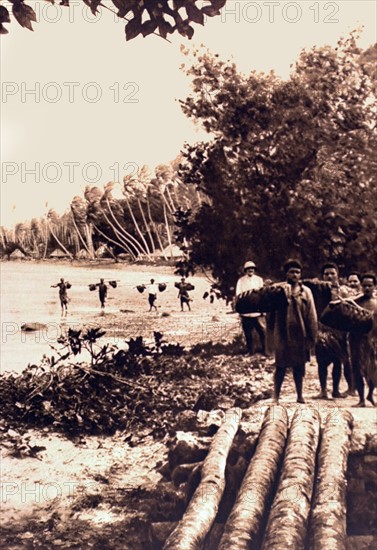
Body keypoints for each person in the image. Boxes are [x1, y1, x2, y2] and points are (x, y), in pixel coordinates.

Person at [271, 259, 317, 404]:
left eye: (297, 272)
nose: (295, 275)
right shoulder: (279, 290)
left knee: (299, 365)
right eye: (292, 272)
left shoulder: (306, 292)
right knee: (280, 365)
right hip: (282, 331)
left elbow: (311, 314)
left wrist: (312, 335)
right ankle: (275, 396)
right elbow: (270, 311)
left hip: (300, 332)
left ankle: (300, 395)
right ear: (286, 273)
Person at [314, 262, 353, 399]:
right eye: (326, 274)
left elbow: (349, 310)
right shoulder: (317, 290)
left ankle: (335, 390)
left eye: (332, 273)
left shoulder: (343, 291)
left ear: (337, 275)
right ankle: (323, 390)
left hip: (338, 331)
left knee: (338, 361)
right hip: (321, 330)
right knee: (321, 362)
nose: (329, 276)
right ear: (322, 276)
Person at [348, 273, 377, 407]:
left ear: (374, 286)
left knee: (373, 370)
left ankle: (370, 393)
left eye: (369, 286)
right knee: (357, 369)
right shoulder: (355, 302)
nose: (366, 288)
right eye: (364, 285)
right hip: (355, 340)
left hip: (372, 341)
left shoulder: (376, 304)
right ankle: (361, 399)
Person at [235, 260, 266, 355]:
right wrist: (240, 309)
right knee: (248, 333)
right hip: (246, 310)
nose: (250, 270)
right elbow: (238, 294)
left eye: (252, 268)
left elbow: (262, 295)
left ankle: (266, 350)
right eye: (248, 269)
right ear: (245, 270)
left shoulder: (259, 280)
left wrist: (263, 309)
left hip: (257, 310)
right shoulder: (241, 281)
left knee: (262, 331)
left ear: (254, 270)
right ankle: (250, 351)